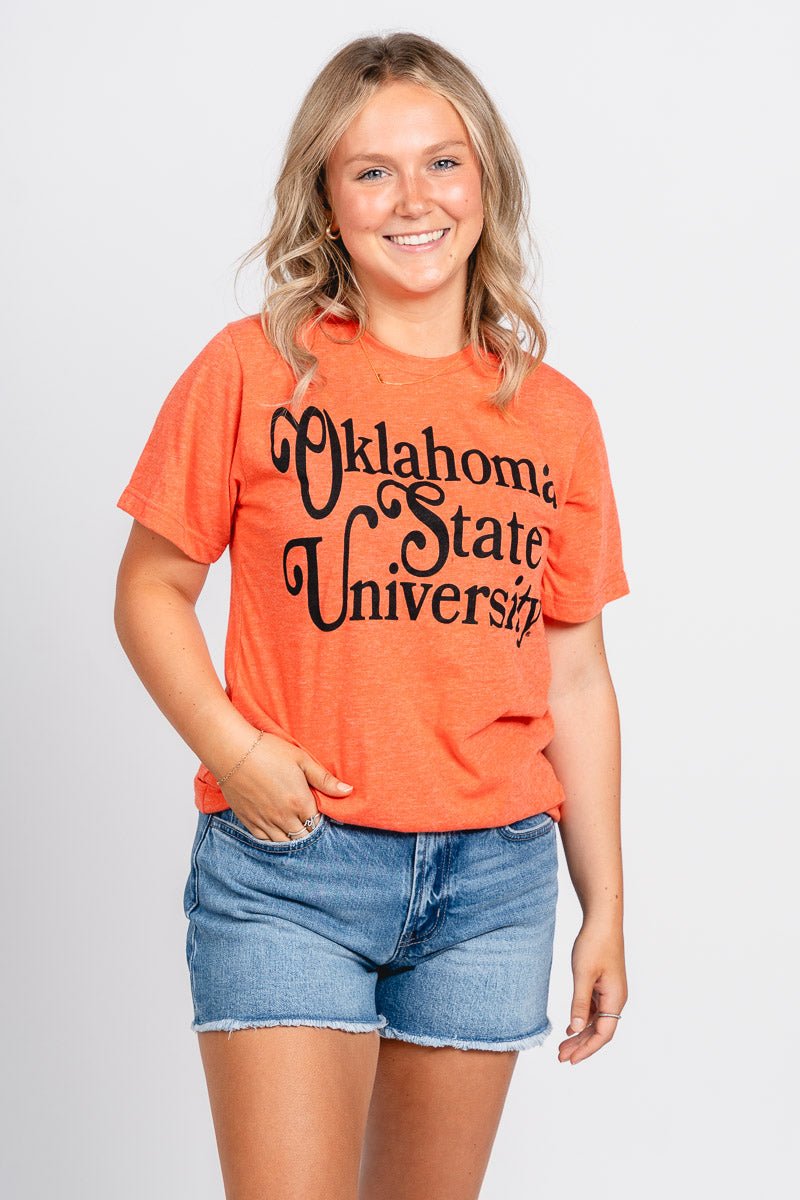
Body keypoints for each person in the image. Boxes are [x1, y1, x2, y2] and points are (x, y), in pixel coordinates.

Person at [114, 31, 630, 1200]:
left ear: (485, 179)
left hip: (493, 883)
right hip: (290, 867)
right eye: (371, 171)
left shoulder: (553, 416)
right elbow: (148, 589)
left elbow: (576, 676)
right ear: (326, 200)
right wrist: (233, 750)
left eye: (442, 162)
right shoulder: (251, 370)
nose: (412, 199)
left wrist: (604, 905)